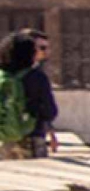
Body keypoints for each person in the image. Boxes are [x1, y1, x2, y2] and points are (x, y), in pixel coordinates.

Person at [20, 28, 58, 157]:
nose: (46, 52)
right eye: (42, 47)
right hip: (33, 134)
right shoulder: (37, 76)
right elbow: (48, 109)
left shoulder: (6, 74)